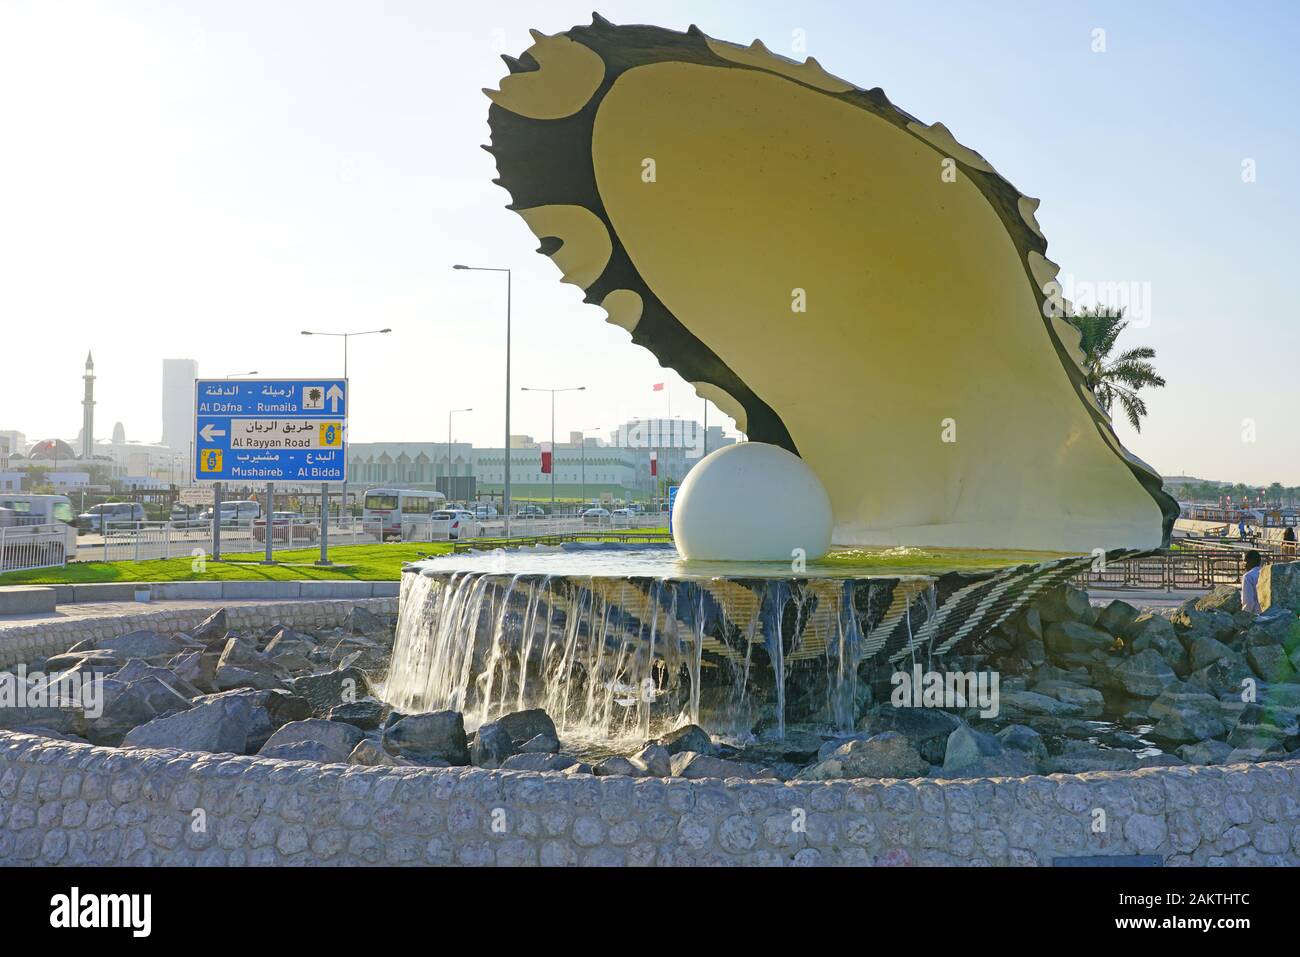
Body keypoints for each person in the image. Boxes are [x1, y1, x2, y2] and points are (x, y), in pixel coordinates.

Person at [1241, 550, 1263, 615]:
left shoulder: (1248, 576)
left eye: (1245, 561)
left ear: (1251, 561)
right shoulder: (1267, 573)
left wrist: (1244, 615)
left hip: (1256, 614)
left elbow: (1248, 601)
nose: (1244, 565)